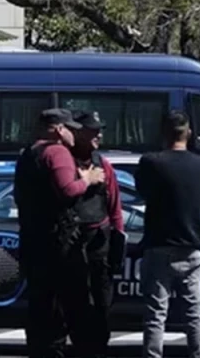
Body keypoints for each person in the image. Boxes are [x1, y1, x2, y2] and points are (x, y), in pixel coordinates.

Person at [14, 108, 104, 358]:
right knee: (72, 304)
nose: (75, 134)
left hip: (32, 240)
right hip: (58, 243)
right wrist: (88, 179)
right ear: (58, 130)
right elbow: (67, 190)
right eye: (71, 128)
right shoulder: (57, 152)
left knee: (40, 305)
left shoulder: (27, 154)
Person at [135, 110, 200, 358]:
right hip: (192, 246)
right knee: (194, 312)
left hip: (159, 245)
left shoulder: (152, 162)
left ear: (163, 133)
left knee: (156, 313)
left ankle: (153, 355)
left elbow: (142, 192)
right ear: (189, 133)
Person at [68, 111, 124, 358]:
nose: (98, 134)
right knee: (76, 302)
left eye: (99, 129)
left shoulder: (103, 165)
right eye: (92, 130)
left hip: (99, 243)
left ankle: (99, 349)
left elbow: (115, 208)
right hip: (71, 243)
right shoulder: (65, 163)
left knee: (103, 302)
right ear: (78, 132)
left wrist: (118, 238)